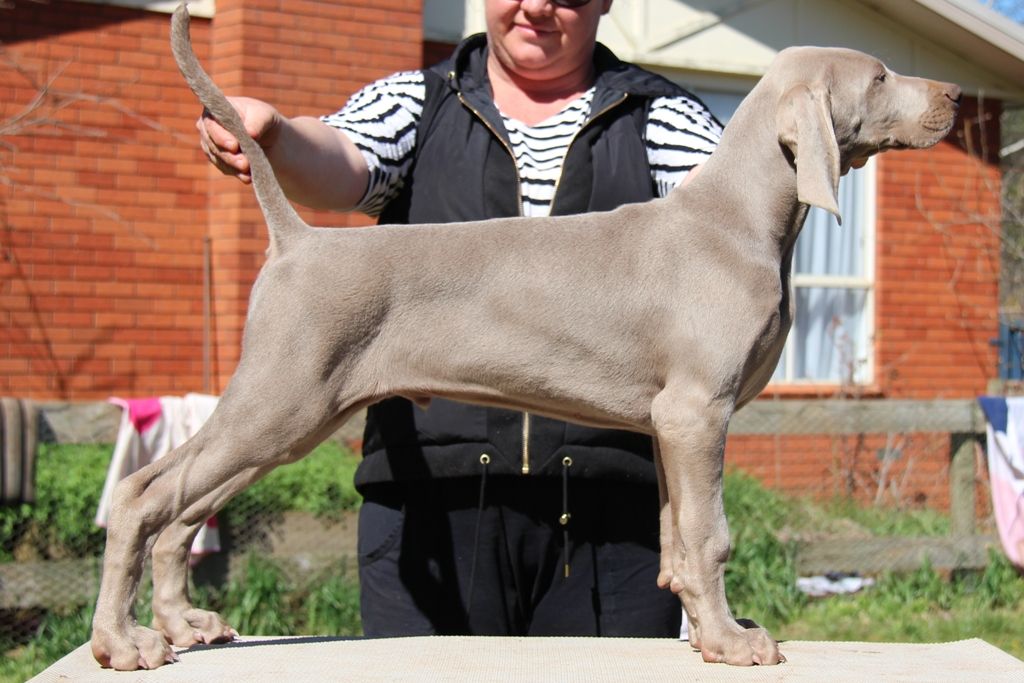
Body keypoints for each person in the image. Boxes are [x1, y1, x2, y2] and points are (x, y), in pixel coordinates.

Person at [198, 0, 722, 638]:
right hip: (432, 509)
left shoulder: (659, 113)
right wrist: (277, 137)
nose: (538, 5)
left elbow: (727, 206)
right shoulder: (419, 102)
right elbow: (342, 159)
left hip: (611, 525)